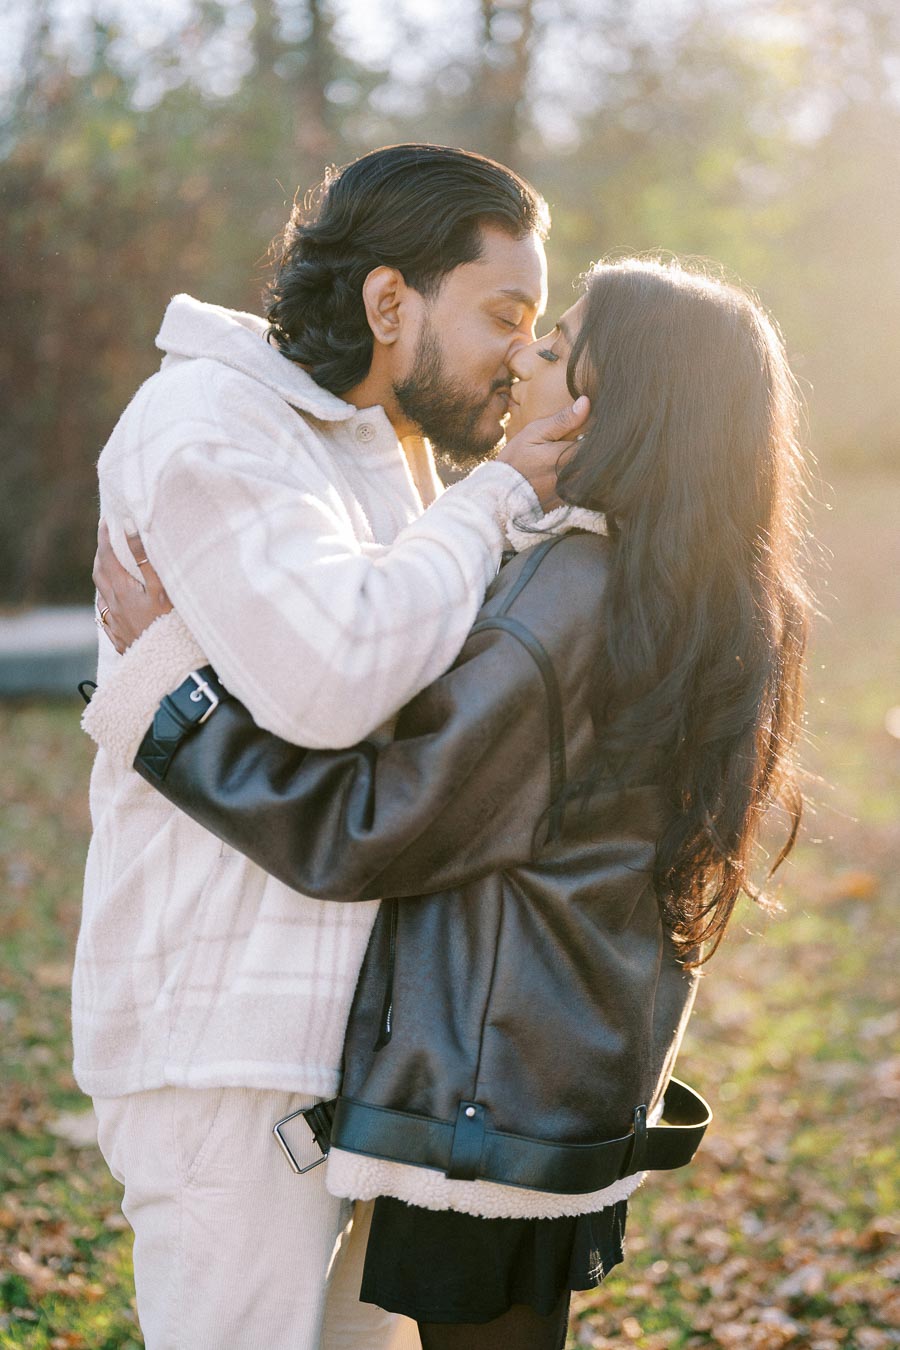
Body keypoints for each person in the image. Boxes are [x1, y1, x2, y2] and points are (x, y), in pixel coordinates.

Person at [89, 257, 812, 1350]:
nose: (527, 353)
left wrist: (166, 697)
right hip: (550, 1075)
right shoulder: (675, 586)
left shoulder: (562, 611)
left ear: (612, 407)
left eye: (558, 343)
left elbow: (368, 828)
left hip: (487, 1103)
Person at [74, 143, 592, 1350]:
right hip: (226, 1044)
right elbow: (334, 679)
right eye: (503, 315)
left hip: (349, 1042)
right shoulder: (209, 427)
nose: (522, 353)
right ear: (387, 300)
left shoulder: (367, 445)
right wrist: (496, 497)